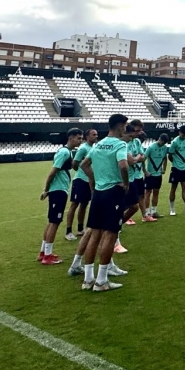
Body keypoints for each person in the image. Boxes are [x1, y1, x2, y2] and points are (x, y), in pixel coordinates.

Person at [67, 113, 130, 292]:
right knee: (110, 234)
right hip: (113, 192)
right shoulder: (120, 144)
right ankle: (101, 281)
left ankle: (88, 279)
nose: (125, 129)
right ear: (119, 126)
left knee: (94, 234)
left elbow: (84, 165)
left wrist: (94, 182)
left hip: (99, 193)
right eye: (124, 126)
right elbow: (124, 165)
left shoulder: (99, 144)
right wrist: (125, 183)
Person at [38, 129, 83, 264]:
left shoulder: (66, 152)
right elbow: (53, 172)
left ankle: (43, 252)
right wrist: (46, 189)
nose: (80, 141)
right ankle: (48, 256)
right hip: (58, 191)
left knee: (52, 222)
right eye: (78, 138)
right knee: (55, 222)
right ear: (71, 138)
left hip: (59, 189)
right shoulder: (64, 152)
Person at [64, 127, 97, 240]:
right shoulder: (83, 148)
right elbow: (74, 163)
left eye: (96, 134)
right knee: (74, 205)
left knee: (84, 205)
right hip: (80, 180)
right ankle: (68, 231)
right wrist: (81, 172)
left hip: (89, 181)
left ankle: (80, 229)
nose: (96, 136)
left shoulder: (94, 148)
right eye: (93, 134)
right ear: (87, 137)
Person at [121, 121, 147, 232]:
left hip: (134, 177)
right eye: (137, 130)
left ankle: (116, 224)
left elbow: (143, 156)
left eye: (140, 130)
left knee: (134, 204)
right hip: (125, 178)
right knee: (127, 204)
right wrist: (137, 158)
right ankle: (113, 225)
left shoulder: (136, 141)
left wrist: (135, 158)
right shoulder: (124, 143)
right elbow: (130, 161)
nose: (139, 133)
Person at [167, 125, 185, 215]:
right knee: (173, 188)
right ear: (179, 133)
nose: (183, 136)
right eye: (182, 134)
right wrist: (175, 163)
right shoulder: (174, 142)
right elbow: (170, 155)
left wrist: (183, 163)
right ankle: (172, 209)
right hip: (175, 168)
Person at [142, 132, 169, 220]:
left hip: (158, 175)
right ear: (159, 139)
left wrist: (164, 168)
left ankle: (154, 211)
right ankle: (146, 213)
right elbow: (143, 159)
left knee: (156, 192)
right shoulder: (151, 147)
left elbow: (165, 158)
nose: (162, 143)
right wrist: (145, 171)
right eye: (162, 141)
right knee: (148, 193)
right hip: (150, 175)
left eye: (164, 143)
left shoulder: (164, 148)